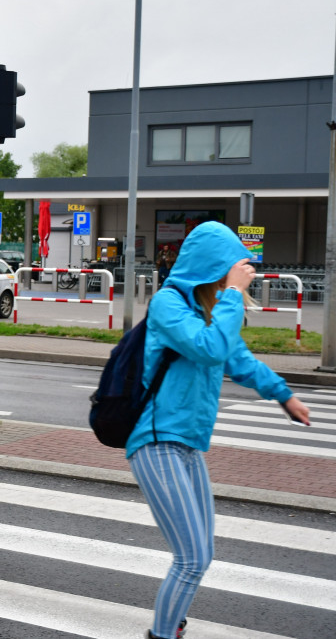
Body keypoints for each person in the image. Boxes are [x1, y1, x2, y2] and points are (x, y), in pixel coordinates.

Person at [126, 221, 310, 639]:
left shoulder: (209, 313)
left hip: (187, 446)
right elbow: (208, 348)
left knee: (202, 555)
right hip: (157, 443)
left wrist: (283, 396)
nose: (236, 278)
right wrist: (230, 294)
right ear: (211, 267)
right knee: (190, 558)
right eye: (229, 268)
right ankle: (163, 633)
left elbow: (237, 358)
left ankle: (171, 624)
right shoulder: (168, 305)